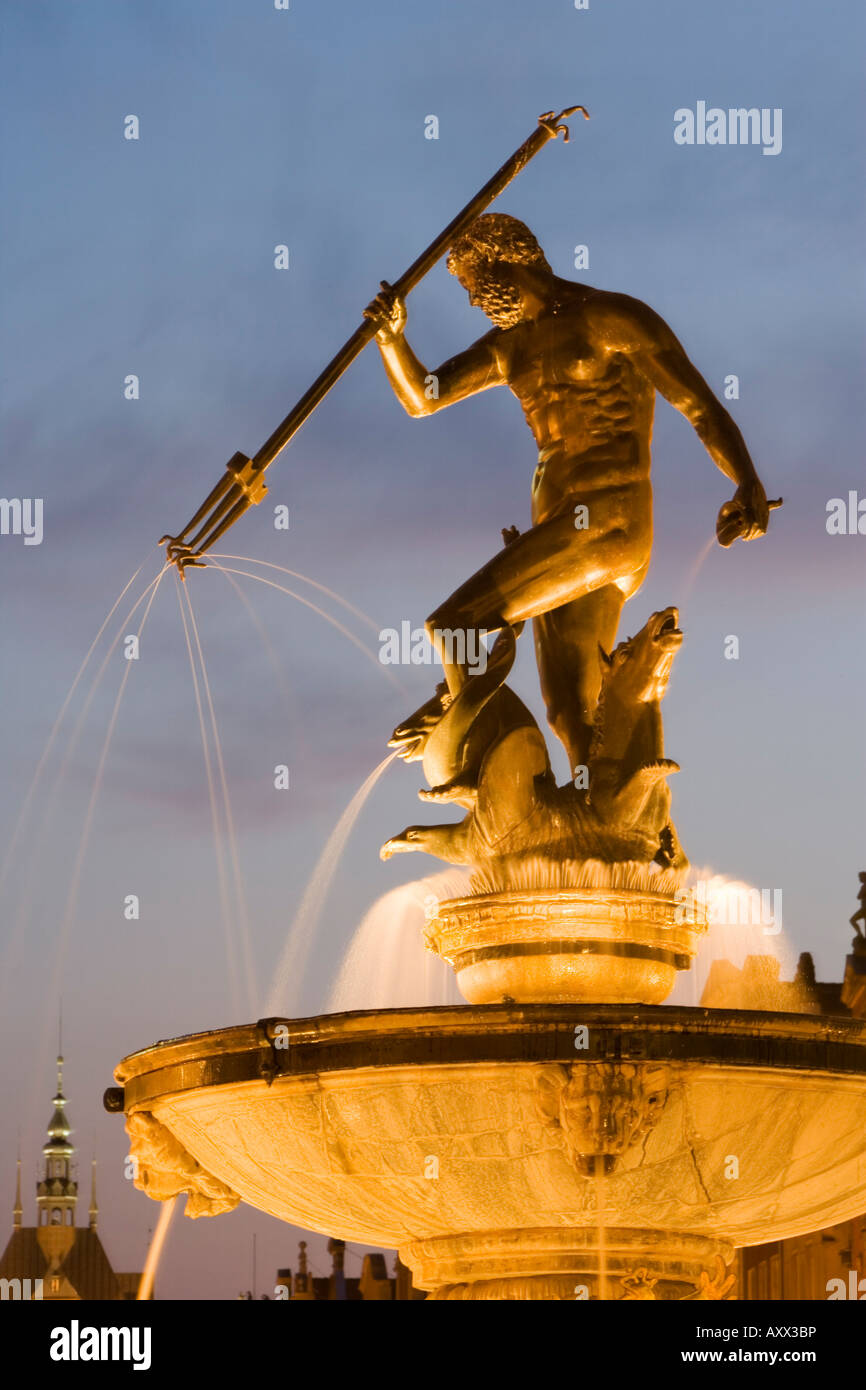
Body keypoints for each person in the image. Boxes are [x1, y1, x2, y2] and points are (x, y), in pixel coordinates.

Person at [364, 213, 772, 769]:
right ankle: (618, 830)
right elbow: (425, 397)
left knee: (453, 624)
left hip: (608, 518)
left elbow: (698, 404)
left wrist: (744, 479)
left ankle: (467, 741)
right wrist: (391, 339)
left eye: (472, 286)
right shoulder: (510, 346)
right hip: (563, 534)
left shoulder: (611, 316)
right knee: (570, 713)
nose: (472, 302)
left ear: (504, 264)